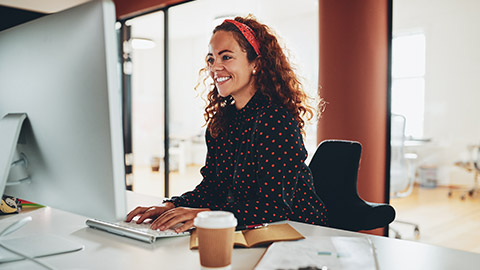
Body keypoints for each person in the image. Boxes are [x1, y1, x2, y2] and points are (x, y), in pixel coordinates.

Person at [126, 15, 328, 233]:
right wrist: (171, 206)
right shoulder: (221, 123)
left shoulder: (277, 120)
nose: (215, 68)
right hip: (250, 229)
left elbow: (274, 207)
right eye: (211, 59)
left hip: (300, 232)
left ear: (256, 64)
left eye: (226, 57)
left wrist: (207, 214)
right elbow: (212, 188)